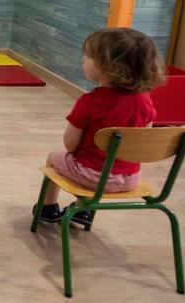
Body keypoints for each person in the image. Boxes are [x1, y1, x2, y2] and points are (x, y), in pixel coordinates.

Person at [35, 28, 164, 228]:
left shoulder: (89, 102)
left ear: (110, 67)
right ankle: (83, 212)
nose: (82, 60)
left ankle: (47, 208)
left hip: (92, 177)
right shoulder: (145, 101)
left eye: (88, 57)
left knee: (55, 156)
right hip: (131, 178)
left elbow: (70, 145)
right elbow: (143, 140)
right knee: (92, 162)